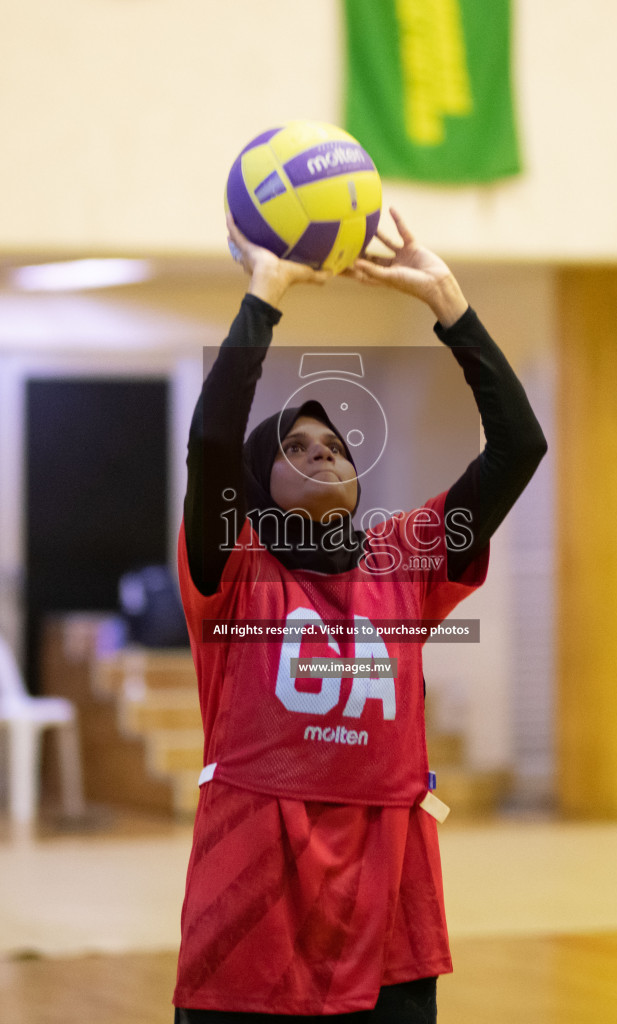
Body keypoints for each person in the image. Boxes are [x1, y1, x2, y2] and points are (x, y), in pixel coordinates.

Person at [173, 208, 547, 1022]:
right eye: (295, 448)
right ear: (255, 485)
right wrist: (263, 298)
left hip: (389, 904)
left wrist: (449, 302)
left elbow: (519, 448)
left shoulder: (405, 557)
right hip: (254, 904)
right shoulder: (233, 565)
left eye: (335, 445)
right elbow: (210, 446)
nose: (323, 453)